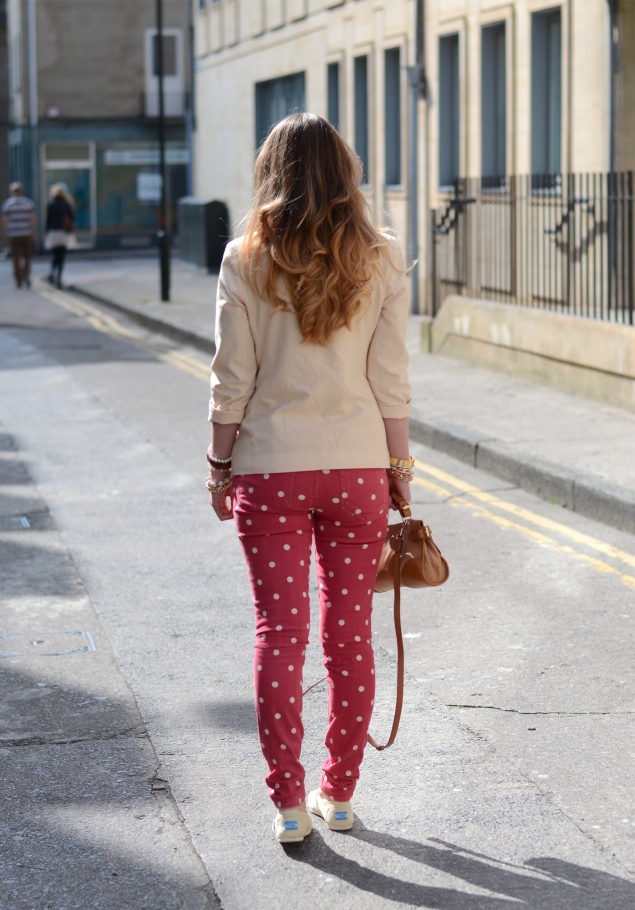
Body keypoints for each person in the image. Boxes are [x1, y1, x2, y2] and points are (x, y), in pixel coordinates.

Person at [208, 113, 412, 844]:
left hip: (270, 467)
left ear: (272, 172)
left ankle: (289, 804)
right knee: (349, 635)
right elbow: (390, 377)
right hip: (357, 468)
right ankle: (341, 793)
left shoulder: (244, 257)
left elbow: (232, 378)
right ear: (345, 171)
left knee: (279, 634)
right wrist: (399, 469)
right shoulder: (382, 255)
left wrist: (218, 463)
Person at [2, 182, 36, 289]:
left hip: (14, 233)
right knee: (27, 256)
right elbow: (32, 218)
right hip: (26, 232)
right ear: (21, 191)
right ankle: (26, 276)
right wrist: (33, 230)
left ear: (12, 192)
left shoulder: (8, 204)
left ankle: (18, 279)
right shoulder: (28, 203)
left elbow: (5, 220)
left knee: (16, 257)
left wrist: (7, 231)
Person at [45, 184, 75, 288]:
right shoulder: (67, 204)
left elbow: (48, 221)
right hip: (63, 233)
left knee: (55, 255)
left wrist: (47, 233)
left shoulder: (51, 204)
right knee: (61, 257)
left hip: (53, 232)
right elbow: (71, 219)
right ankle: (59, 278)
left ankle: (52, 273)